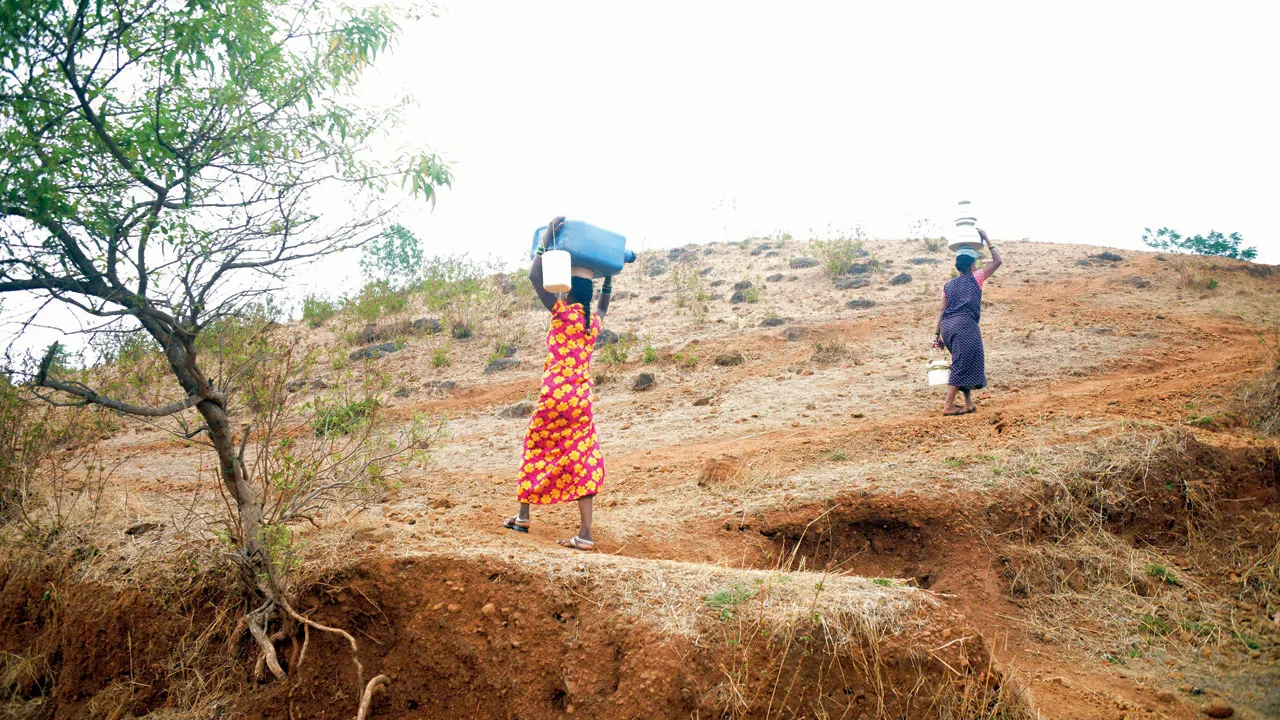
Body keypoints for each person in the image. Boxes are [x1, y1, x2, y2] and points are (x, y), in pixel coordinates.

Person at [503, 216, 611, 550]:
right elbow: (604, 304)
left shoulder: (561, 313)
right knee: (582, 458)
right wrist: (608, 277)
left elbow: (535, 276)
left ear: (565, 290)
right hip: (580, 402)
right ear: (590, 296)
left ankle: (523, 516)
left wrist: (546, 237)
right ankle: (586, 534)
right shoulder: (592, 324)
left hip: (553, 398)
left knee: (537, 447)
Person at [934, 229, 1003, 416]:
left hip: (948, 328)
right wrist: (988, 238)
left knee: (966, 361)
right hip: (965, 326)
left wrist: (937, 335)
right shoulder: (976, 277)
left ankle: (968, 403)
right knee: (962, 363)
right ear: (973, 263)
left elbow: (942, 310)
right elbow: (998, 261)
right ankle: (948, 406)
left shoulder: (948, 285)